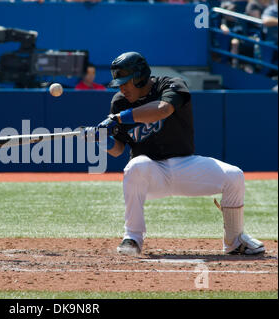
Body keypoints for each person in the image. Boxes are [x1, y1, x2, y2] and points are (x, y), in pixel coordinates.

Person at [83, 52, 265, 256]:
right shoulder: (120, 101)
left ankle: (235, 240)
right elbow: (118, 150)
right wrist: (102, 140)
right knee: (135, 166)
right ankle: (132, 238)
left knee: (234, 176)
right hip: (151, 173)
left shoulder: (171, 85)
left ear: (140, 76)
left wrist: (119, 118)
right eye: (119, 83)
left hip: (185, 165)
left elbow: (163, 109)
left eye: (126, 82)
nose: (122, 88)